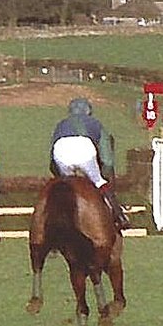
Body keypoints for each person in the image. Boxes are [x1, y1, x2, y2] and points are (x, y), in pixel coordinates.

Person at [50, 98, 131, 230]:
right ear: (88, 111)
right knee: (99, 181)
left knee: (67, 186)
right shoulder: (95, 123)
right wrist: (105, 175)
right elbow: (107, 160)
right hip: (84, 149)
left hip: (60, 151)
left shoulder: (61, 124)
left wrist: (60, 176)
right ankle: (120, 217)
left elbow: (52, 159)